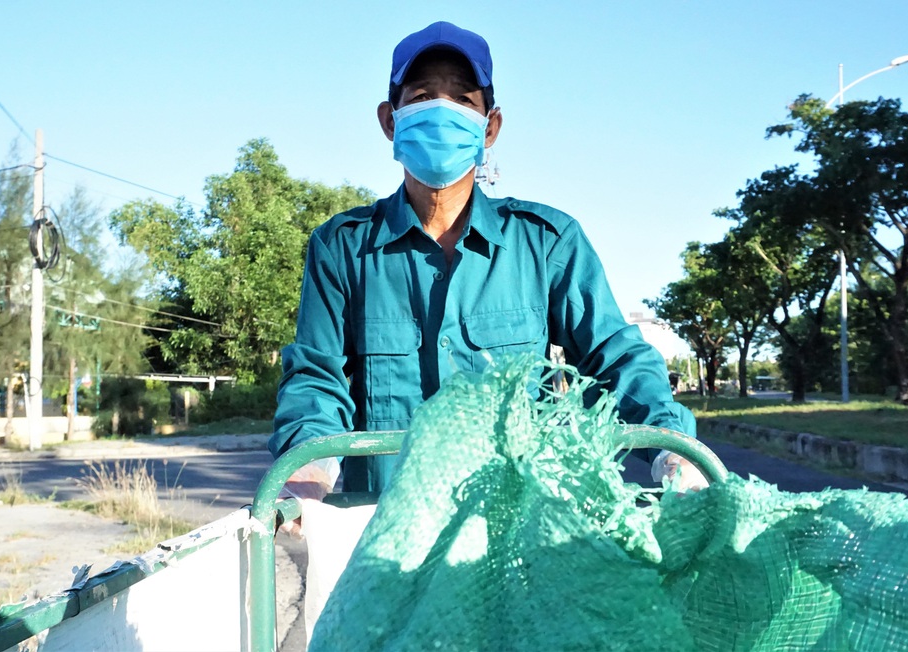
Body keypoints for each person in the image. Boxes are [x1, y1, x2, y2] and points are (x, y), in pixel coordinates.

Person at [270, 21, 706, 517]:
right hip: (384, 529)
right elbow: (316, 379)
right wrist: (307, 472)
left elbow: (616, 358)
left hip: (525, 529)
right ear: (390, 121)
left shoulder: (545, 242)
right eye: (421, 95)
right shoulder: (342, 248)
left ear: (490, 126)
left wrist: (673, 450)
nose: (441, 111)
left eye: (462, 99)